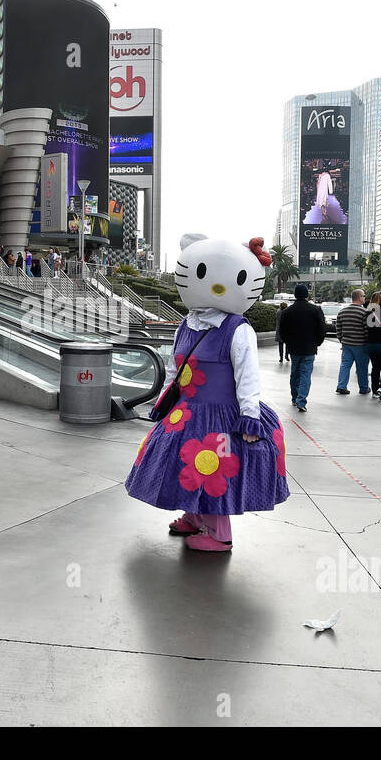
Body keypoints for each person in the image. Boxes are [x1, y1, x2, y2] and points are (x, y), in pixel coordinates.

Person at [125, 234, 290, 553]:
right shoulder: (187, 324)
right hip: (186, 410)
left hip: (222, 414)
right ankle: (193, 515)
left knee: (214, 469)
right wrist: (165, 399)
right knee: (186, 466)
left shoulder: (238, 328)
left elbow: (247, 377)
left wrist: (250, 416)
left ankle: (219, 534)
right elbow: (174, 367)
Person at [279, 284, 326, 413]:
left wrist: (288, 342)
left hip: (294, 348)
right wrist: (317, 342)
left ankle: (294, 397)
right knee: (306, 374)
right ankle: (301, 400)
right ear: (306, 295)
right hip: (309, 348)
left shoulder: (287, 311)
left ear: (295, 295)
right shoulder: (315, 310)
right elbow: (322, 329)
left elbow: (282, 330)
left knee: (295, 373)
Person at [334, 289, 370, 395]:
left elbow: (338, 329)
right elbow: (366, 330)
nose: (365, 298)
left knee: (345, 365)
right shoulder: (364, 312)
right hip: (360, 344)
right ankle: (363, 388)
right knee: (362, 367)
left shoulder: (342, 311)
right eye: (364, 296)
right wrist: (367, 342)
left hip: (346, 344)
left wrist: (342, 340)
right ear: (359, 297)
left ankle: (341, 386)